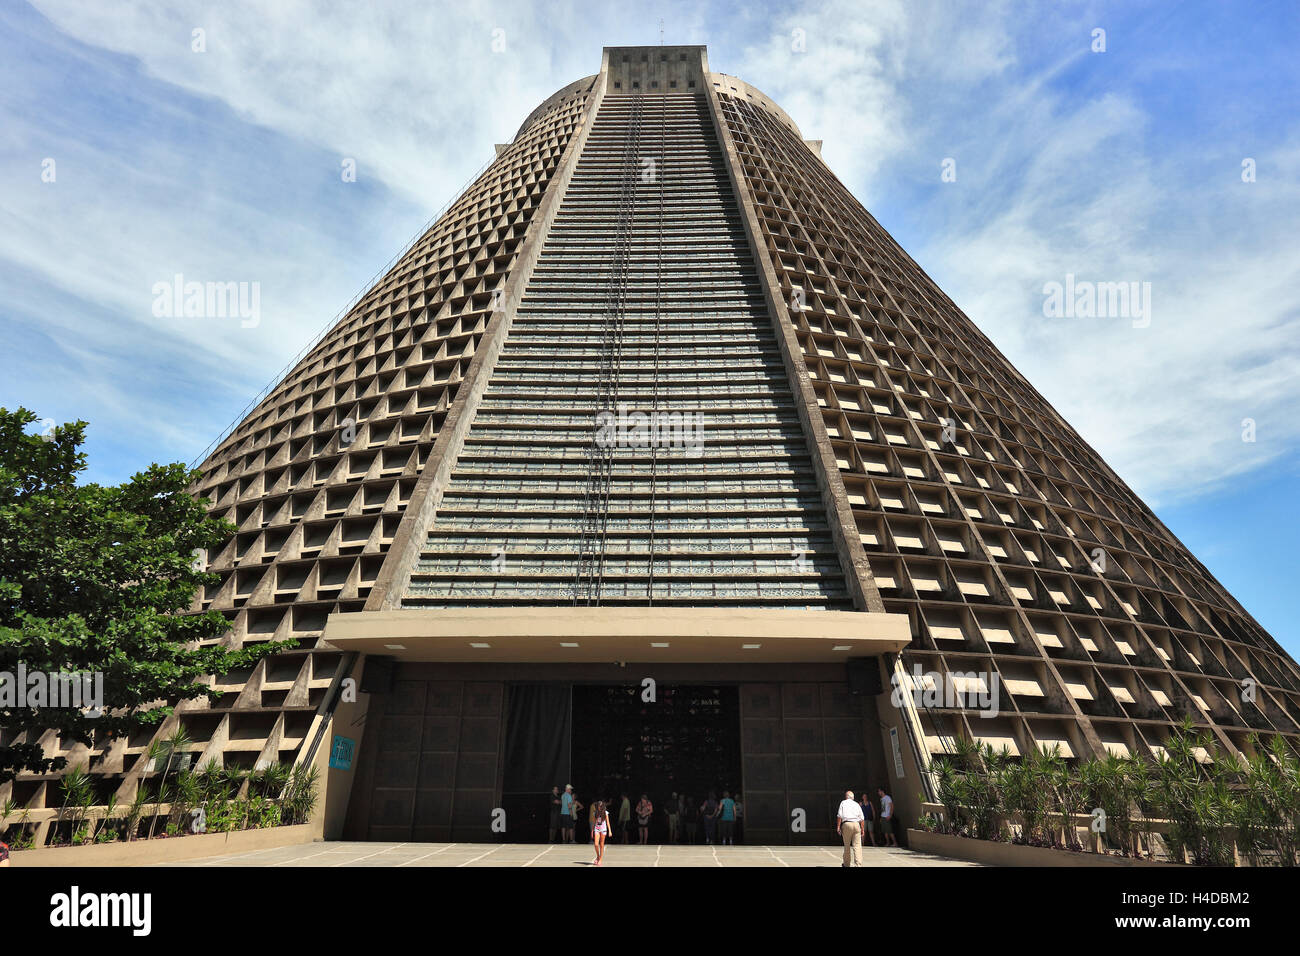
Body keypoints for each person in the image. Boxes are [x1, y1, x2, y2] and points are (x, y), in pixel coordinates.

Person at [836, 790, 865, 867]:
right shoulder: (856, 804)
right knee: (857, 846)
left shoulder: (843, 803)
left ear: (846, 797)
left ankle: (846, 864)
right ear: (853, 797)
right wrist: (862, 829)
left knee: (847, 846)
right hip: (856, 824)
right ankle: (858, 865)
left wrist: (838, 827)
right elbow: (862, 818)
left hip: (847, 824)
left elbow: (839, 816)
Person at [591, 800, 612, 866]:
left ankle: (600, 859)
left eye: (600, 806)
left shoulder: (605, 813)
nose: (599, 807)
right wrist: (592, 831)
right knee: (596, 844)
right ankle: (598, 856)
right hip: (597, 829)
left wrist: (610, 831)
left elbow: (608, 822)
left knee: (601, 844)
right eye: (598, 806)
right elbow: (594, 822)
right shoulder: (595, 813)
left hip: (603, 830)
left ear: (602, 806)